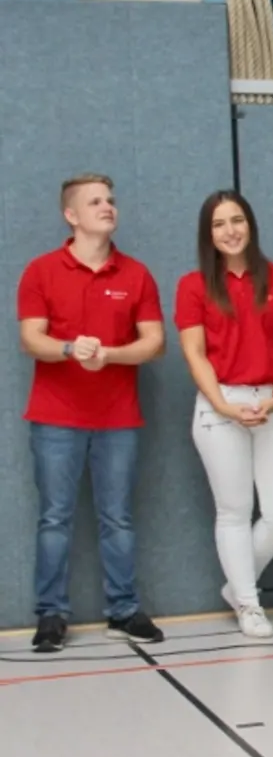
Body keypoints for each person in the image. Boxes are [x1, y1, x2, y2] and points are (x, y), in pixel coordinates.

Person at [17, 173, 167, 651]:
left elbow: (154, 343)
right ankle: (51, 614)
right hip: (55, 417)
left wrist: (109, 355)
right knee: (54, 518)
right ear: (71, 215)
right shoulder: (40, 271)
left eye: (110, 200)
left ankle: (123, 610)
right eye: (95, 201)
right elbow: (31, 339)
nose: (107, 207)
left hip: (117, 419)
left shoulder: (136, 274)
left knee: (118, 517)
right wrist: (68, 348)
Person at [176, 190, 273, 639]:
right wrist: (222, 404)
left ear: (250, 224)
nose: (229, 230)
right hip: (219, 406)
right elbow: (194, 353)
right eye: (218, 224)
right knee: (233, 511)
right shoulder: (193, 286)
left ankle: (236, 585)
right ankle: (249, 605)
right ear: (207, 234)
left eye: (237, 220)